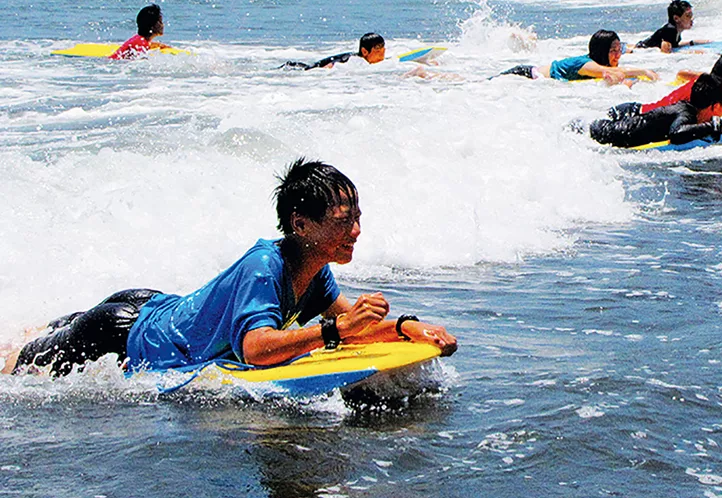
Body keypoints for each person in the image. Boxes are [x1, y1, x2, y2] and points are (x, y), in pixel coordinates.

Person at [5, 159, 456, 377]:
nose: (355, 231)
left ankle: (39, 327)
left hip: (155, 305)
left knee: (44, 332)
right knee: (15, 367)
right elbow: (256, 349)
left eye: (357, 218)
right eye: (342, 221)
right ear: (300, 224)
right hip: (121, 333)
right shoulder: (265, 267)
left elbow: (349, 323)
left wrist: (408, 327)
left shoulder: (314, 266)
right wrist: (336, 331)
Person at [587, 73, 722, 148]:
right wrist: (716, 125)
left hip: (609, 128)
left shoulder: (691, 111)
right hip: (601, 133)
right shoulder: (685, 112)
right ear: (715, 106)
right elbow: (677, 133)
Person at [498, 29, 657, 84]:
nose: (618, 55)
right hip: (525, 76)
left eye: (619, 50)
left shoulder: (598, 63)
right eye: (613, 51)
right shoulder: (586, 64)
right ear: (602, 51)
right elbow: (610, 72)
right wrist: (644, 72)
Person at [281, 33, 386, 71]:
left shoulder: (361, 61)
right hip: (309, 69)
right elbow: (330, 67)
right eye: (378, 50)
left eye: (383, 49)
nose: (382, 53)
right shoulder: (352, 60)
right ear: (364, 51)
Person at [636, 0, 708, 53]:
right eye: (688, 16)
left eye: (691, 15)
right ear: (676, 18)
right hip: (640, 51)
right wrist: (693, 52)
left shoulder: (675, 31)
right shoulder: (670, 31)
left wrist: (692, 42)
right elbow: (665, 53)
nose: (691, 19)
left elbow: (673, 46)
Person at [109, 4, 173, 60]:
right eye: (160, 22)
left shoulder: (140, 39)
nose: (163, 25)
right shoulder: (141, 43)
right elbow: (140, 61)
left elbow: (147, 45)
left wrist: (158, 45)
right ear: (153, 26)